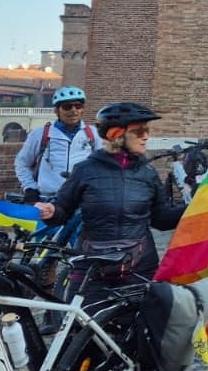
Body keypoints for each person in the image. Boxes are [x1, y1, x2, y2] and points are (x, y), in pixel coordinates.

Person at [34, 102, 184, 281]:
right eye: (138, 131)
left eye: (147, 130)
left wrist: (199, 205)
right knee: (83, 309)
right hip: (93, 267)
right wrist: (52, 212)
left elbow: (161, 219)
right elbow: (63, 210)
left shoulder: (148, 173)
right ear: (116, 135)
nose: (145, 137)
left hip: (139, 267)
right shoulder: (85, 170)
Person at [15, 86, 98, 200]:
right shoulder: (40, 134)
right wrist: (30, 187)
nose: (73, 110)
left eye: (78, 106)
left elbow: (103, 166)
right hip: (48, 199)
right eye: (67, 107)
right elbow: (22, 162)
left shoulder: (93, 134)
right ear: (56, 110)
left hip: (81, 200)